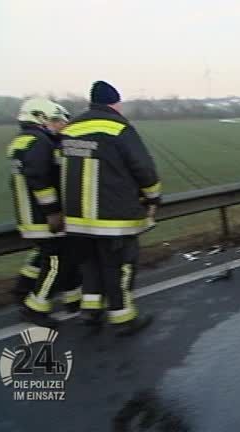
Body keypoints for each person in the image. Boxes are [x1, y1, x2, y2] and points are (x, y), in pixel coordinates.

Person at [61, 81, 160, 336]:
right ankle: (123, 318)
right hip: (112, 217)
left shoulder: (69, 129)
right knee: (120, 265)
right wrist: (152, 197)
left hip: (75, 217)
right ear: (115, 103)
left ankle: (91, 312)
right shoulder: (118, 127)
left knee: (90, 265)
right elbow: (143, 168)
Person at [9, 98, 81, 328]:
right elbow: (40, 178)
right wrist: (52, 211)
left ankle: (27, 289)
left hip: (29, 215)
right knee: (57, 261)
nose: (62, 125)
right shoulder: (40, 143)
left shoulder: (22, 141)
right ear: (41, 118)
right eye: (57, 120)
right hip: (43, 218)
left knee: (50, 255)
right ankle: (35, 306)